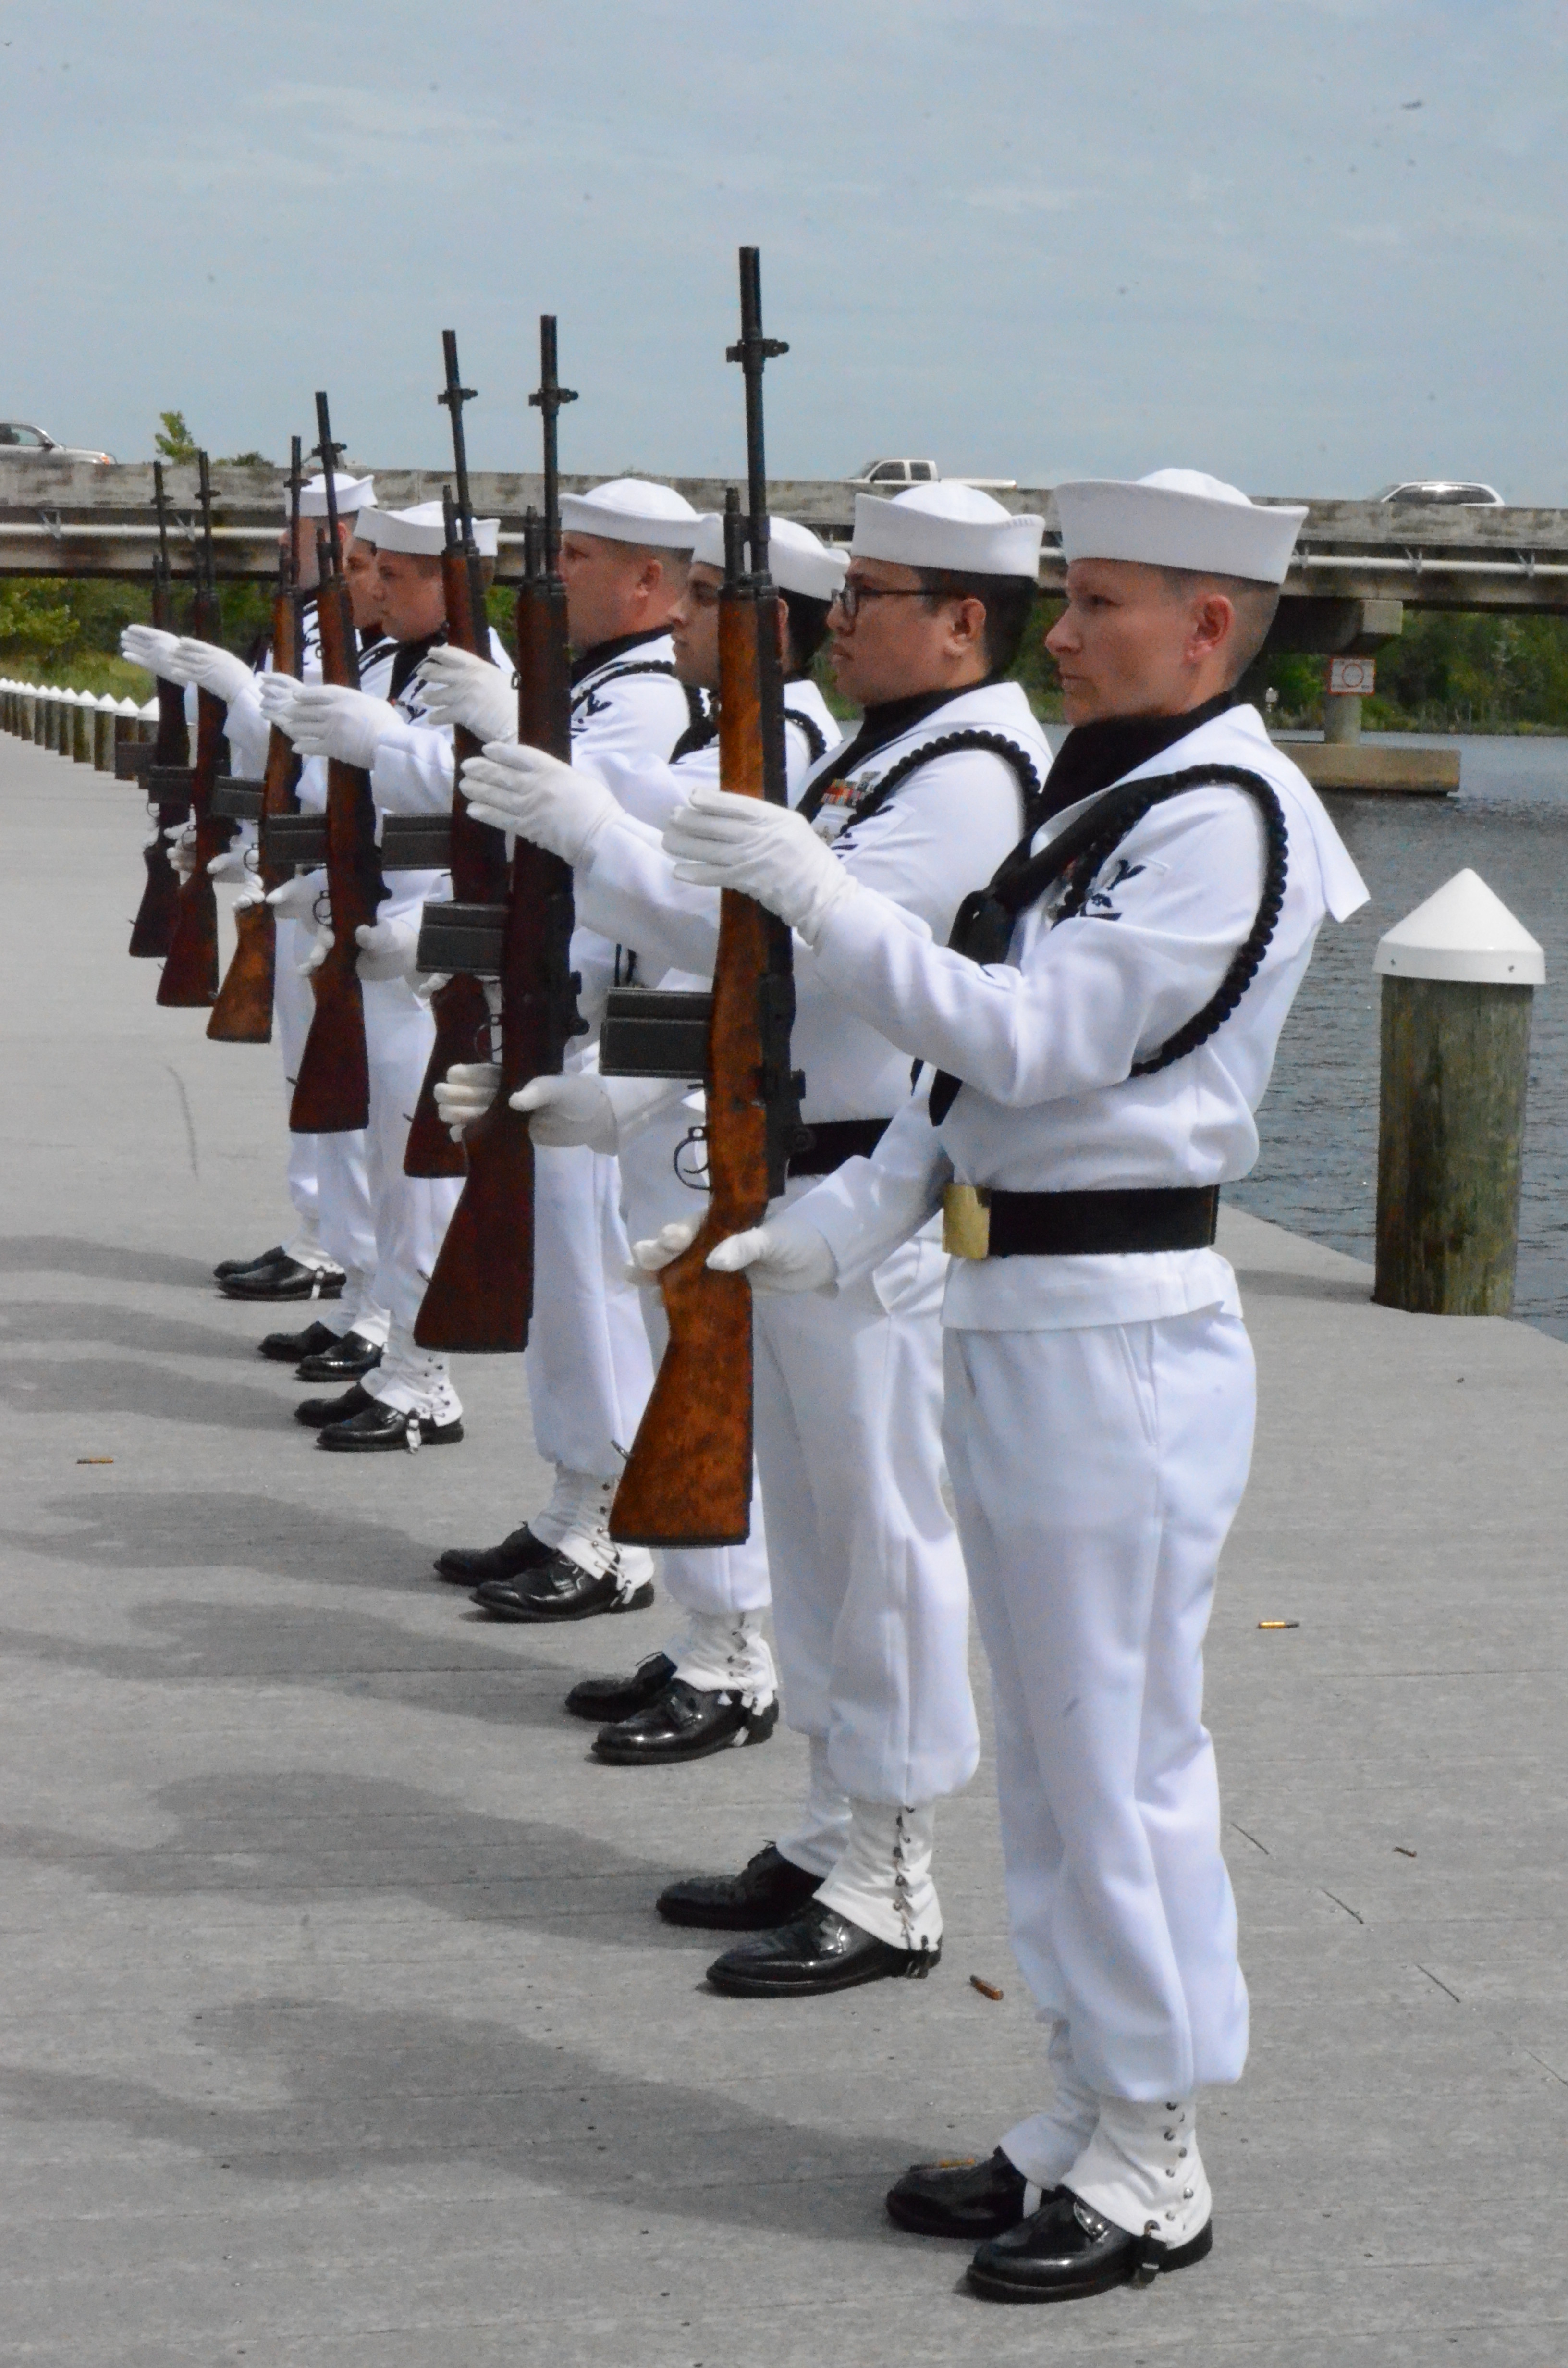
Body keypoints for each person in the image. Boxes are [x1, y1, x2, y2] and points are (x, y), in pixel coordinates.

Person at [649, 470, 1368, 2295]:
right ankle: (1083, 2104)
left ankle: (1155, 2154)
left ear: (1208, 624)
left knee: (1116, 1759)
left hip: (1119, 1330)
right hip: (1022, 1307)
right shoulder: (1113, 795)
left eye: (1102, 601)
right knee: (1054, 1763)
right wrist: (845, 1216)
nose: (1063, 633)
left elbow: (1035, 1038)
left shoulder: (1227, 817)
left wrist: (820, 895)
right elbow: (966, 1092)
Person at [453, 483, 1050, 1996]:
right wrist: (614, 1085)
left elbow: (791, 948)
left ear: (962, 622)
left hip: (879, 1205)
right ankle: (836, 1824)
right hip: (793, 1183)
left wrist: (594, 828)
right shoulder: (884, 755)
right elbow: (740, 968)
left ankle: (894, 1874)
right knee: (819, 1537)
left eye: (868, 596)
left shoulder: (971, 774)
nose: (833, 621)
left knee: (883, 1549)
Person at [435, 511, 842, 1763]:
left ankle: (732, 1652)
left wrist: (533, 743)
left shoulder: (792, 740)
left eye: (711, 601)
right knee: (669, 1361)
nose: (686, 624)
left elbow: (690, 882)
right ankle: (703, 1630)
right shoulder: (719, 731)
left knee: (706, 1387)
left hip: (712, 1105)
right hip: (658, 1078)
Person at [409, 477, 706, 1612]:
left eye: (580, 555)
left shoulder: (645, 698)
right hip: (555, 1017)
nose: (559, 571)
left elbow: (618, 822)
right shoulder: (588, 686)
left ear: (648, 580)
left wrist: (514, 718)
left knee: (596, 1297)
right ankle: (574, 1501)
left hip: (609, 1037)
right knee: (563, 1300)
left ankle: (617, 1537)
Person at [257, 497, 506, 1449]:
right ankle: (383, 1336)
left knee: (420, 1174)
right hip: (370, 932)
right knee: (378, 1158)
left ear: (449, 582)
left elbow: (472, 809)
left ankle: (423, 1377)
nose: (372, 588)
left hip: (424, 954)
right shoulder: (389, 664)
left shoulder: (478, 677)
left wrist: (416, 924)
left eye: (392, 574)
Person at [119, 472, 382, 1344]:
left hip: (347, 883)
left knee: (344, 1084)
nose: (281, 543)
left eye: (297, 529)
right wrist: (223, 829)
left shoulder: (356, 634)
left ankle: (349, 1262)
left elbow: (309, 744)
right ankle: (321, 1237)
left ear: (340, 534)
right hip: (298, 870)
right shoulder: (301, 622)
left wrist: (236, 688)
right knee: (309, 1072)